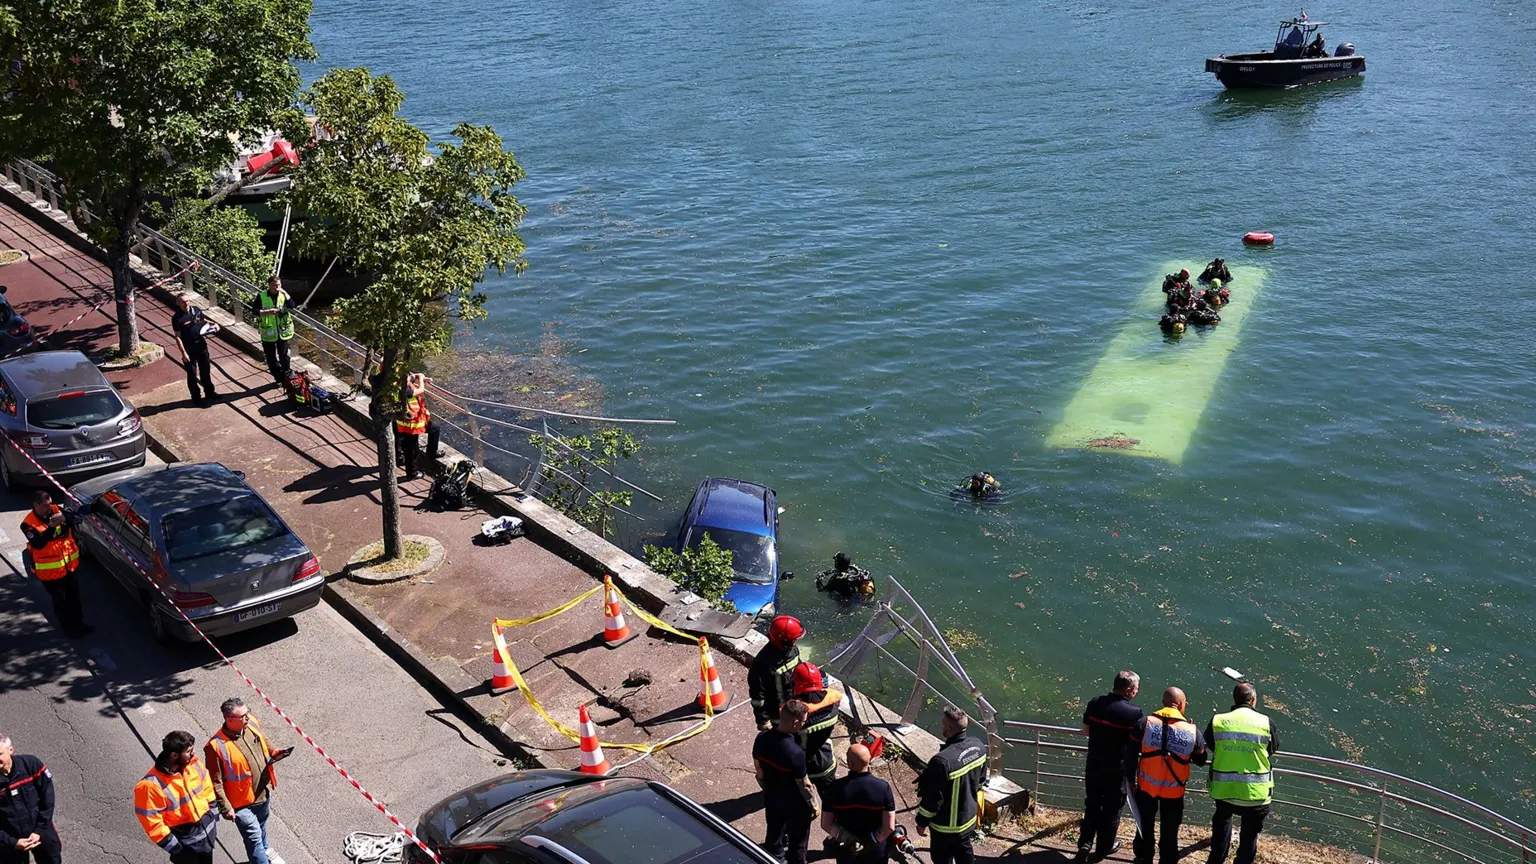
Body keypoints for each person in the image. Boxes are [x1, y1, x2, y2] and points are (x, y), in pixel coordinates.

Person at [204, 698, 294, 864]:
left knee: (261, 827)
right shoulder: (215, 747)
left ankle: (266, 848)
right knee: (253, 840)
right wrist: (225, 807)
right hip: (241, 805)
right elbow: (214, 781)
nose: (248, 717)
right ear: (229, 720)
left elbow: (262, 738)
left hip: (262, 793)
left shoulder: (250, 722)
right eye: (243, 716)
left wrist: (274, 750)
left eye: (247, 713)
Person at [1128, 687, 1207, 864]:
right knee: (1170, 831)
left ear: (1164, 702)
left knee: (1144, 826)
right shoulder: (1192, 731)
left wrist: (1129, 780)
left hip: (1146, 788)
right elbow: (1201, 759)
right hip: (1174, 792)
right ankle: (1167, 860)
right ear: (1180, 705)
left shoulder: (1145, 723)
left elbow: (1130, 753)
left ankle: (1143, 857)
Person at [1205, 683, 1277, 864]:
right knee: (1249, 837)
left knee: (1221, 824)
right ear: (1253, 700)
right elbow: (1272, 748)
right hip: (1256, 792)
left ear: (1234, 699)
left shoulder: (1218, 721)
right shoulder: (1266, 722)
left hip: (1224, 789)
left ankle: (1217, 860)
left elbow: (1210, 745)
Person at [1076, 670, 1142, 863]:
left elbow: (1085, 730)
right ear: (1129, 690)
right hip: (1117, 768)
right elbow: (1135, 742)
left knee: (1092, 803)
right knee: (1112, 809)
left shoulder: (1096, 702)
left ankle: (1085, 843)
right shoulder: (1134, 713)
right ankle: (1104, 847)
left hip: (1094, 763)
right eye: (1136, 689)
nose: (1137, 692)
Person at [915, 706, 988, 864]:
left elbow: (932, 799)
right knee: (964, 852)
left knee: (942, 859)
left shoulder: (942, 761)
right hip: (968, 820)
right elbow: (981, 781)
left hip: (945, 828)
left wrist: (921, 822)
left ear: (948, 728)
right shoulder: (979, 747)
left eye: (943, 724)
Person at [134, 730, 218, 864]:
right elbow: (151, 822)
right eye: (189, 751)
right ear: (174, 755)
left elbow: (207, 787)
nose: (193, 753)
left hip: (206, 838)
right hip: (185, 847)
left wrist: (213, 813)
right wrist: (175, 847)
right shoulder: (150, 785)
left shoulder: (194, 764)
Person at [753, 700, 815, 864]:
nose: (804, 724)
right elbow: (804, 784)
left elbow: (758, 767)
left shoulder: (762, 738)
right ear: (795, 722)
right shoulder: (795, 753)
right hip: (794, 802)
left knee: (774, 829)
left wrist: (765, 785)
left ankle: (773, 857)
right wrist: (814, 805)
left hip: (772, 795)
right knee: (798, 841)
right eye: (803, 721)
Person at [20, 491, 87, 637]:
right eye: (45, 506)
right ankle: (69, 629)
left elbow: (74, 520)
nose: (49, 508)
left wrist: (65, 517)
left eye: (50, 504)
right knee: (60, 601)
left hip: (69, 566)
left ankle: (80, 624)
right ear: (36, 505)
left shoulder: (56, 510)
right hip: (50, 572)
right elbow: (38, 544)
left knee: (74, 597)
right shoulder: (28, 524)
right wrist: (51, 527)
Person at [822, 743, 895, 864]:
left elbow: (826, 824)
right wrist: (871, 840)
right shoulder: (883, 788)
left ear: (850, 763)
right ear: (869, 760)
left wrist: (849, 840)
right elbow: (889, 827)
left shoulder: (835, 788)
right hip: (876, 850)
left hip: (847, 850)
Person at [0, 734, 59, 864]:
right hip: (11, 840)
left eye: (0, 754)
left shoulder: (31, 764)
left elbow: (47, 798)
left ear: (11, 750)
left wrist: (39, 830)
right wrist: (12, 842)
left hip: (42, 831)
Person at [790, 662, 843, 800]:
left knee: (800, 796)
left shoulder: (794, 717)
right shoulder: (833, 705)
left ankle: (811, 806)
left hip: (802, 766)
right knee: (831, 800)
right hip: (825, 761)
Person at [749, 615, 805, 730]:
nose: (795, 643)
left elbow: (799, 671)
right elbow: (758, 697)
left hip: (794, 703)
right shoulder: (762, 664)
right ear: (784, 641)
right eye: (792, 640)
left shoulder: (792, 650)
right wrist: (763, 720)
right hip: (777, 711)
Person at [171, 293, 219, 405]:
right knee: (192, 375)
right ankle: (196, 398)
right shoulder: (177, 318)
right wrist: (183, 353)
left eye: (187, 301)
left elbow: (203, 321)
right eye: (183, 302)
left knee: (205, 371)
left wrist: (214, 324)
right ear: (178, 304)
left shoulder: (196, 310)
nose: (186, 304)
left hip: (201, 346)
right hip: (189, 349)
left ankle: (210, 392)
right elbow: (177, 337)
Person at [394, 372, 441, 481]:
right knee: (411, 450)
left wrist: (422, 377)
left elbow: (412, 376)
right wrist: (421, 381)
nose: (409, 379)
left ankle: (431, 453)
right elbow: (420, 390)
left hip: (413, 421)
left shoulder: (400, 382)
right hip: (411, 424)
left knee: (435, 428)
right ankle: (412, 473)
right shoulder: (403, 390)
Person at [257, 275, 294, 383]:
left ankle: (287, 375)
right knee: (271, 358)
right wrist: (267, 312)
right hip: (268, 332)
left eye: (278, 285)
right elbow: (255, 310)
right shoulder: (262, 296)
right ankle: (278, 377)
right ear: (269, 285)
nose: (276, 288)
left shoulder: (283, 295)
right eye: (274, 285)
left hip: (282, 331)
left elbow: (292, 305)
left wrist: (284, 292)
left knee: (284, 356)